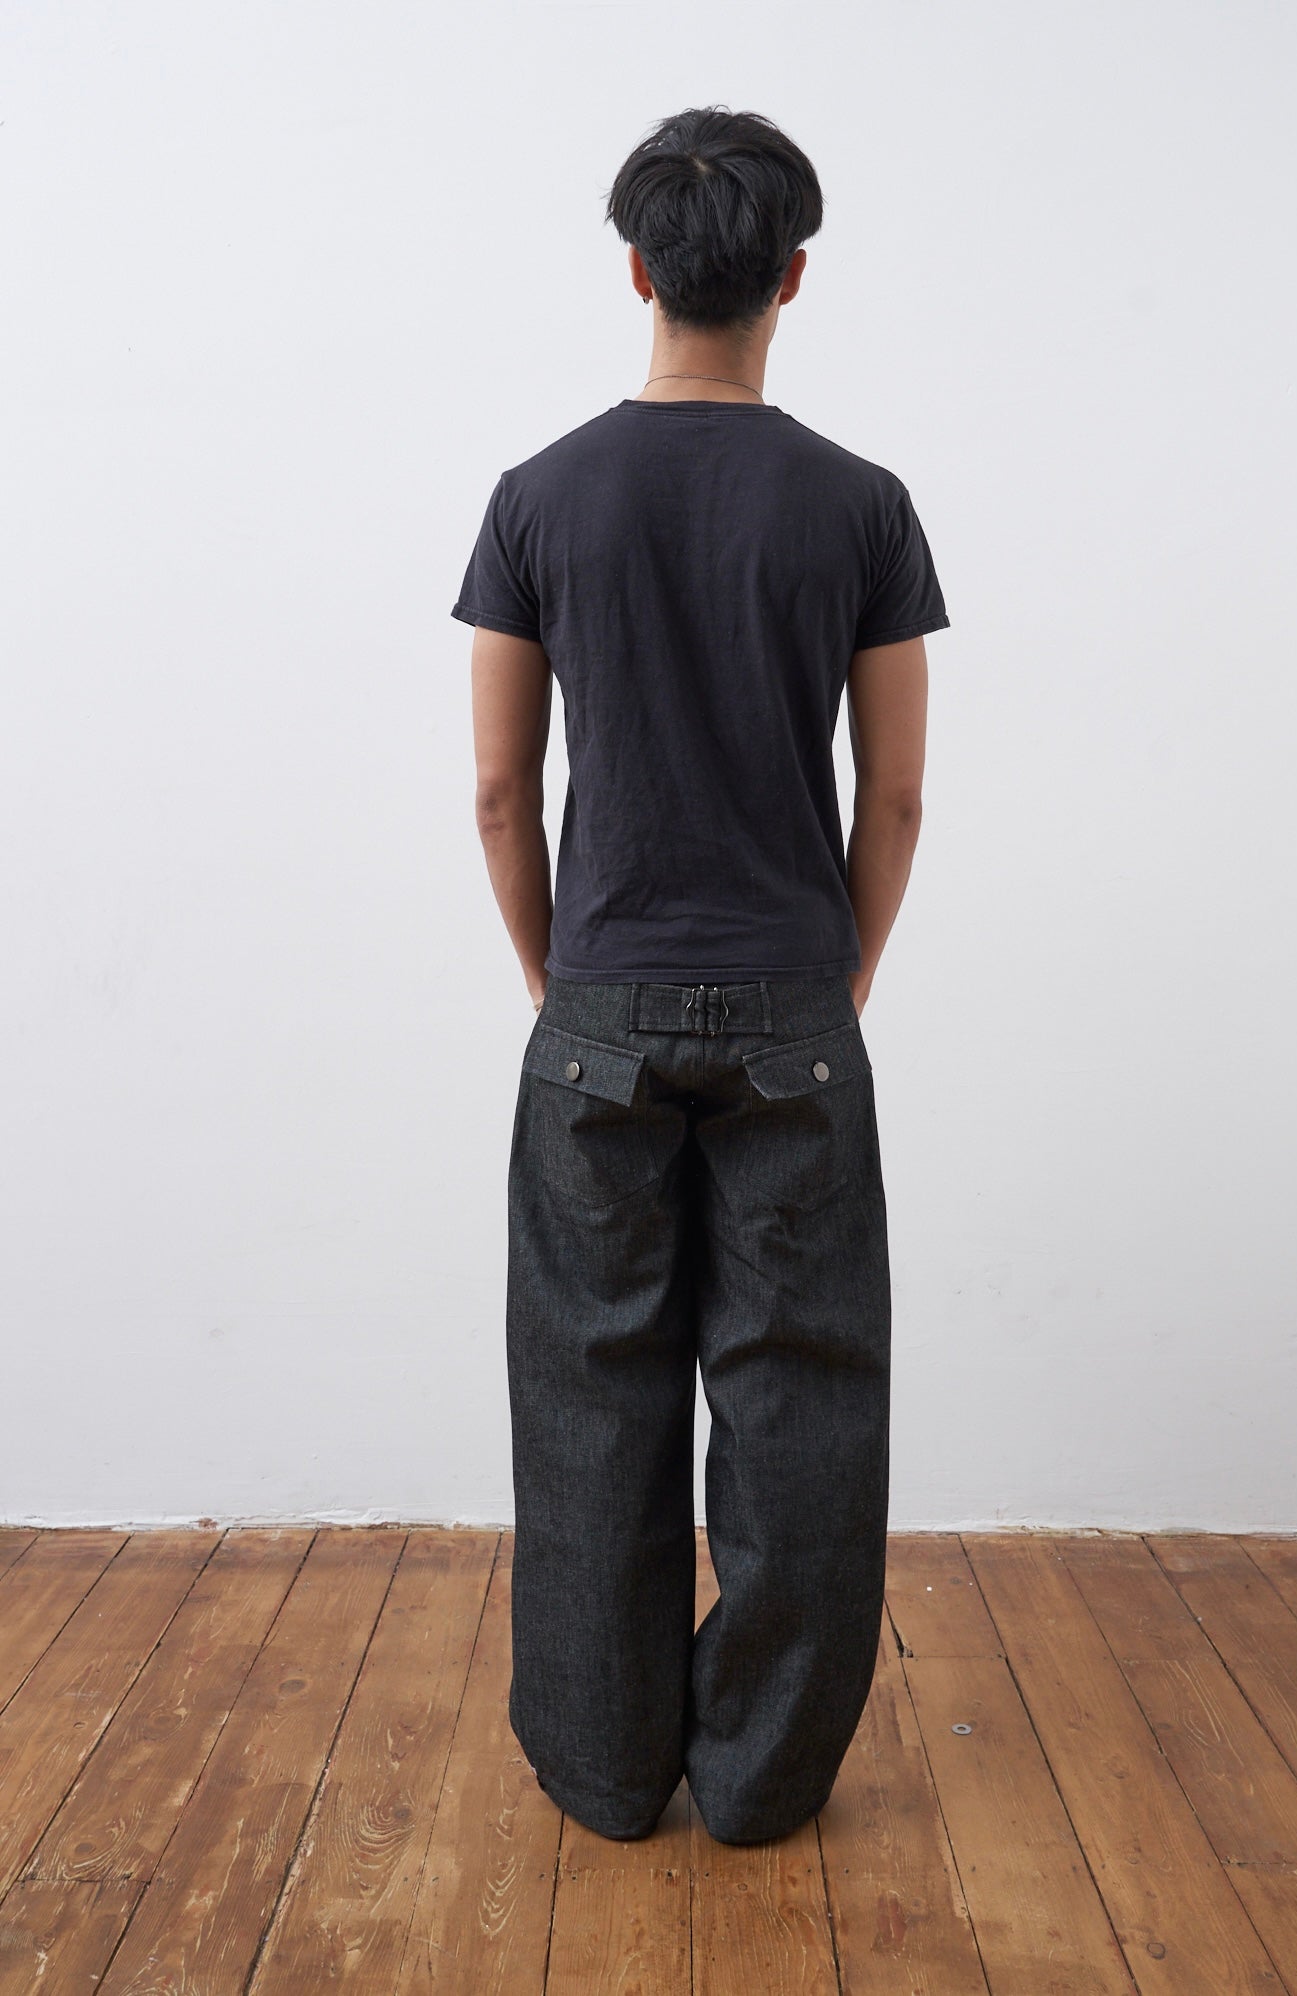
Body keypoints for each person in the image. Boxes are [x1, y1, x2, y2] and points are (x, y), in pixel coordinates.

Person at [451, 104, 949, 1847]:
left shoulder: (537, 498)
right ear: (789, 278)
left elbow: (501, 791)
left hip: (595, 1008)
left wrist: (558, 982)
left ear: (639, 271)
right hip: (794, 1008)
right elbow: (894, 795)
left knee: (589, 1401)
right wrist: (839, 978)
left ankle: (604, 1772)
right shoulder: (861, 506)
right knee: (802, 1395)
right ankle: (758, 1780)